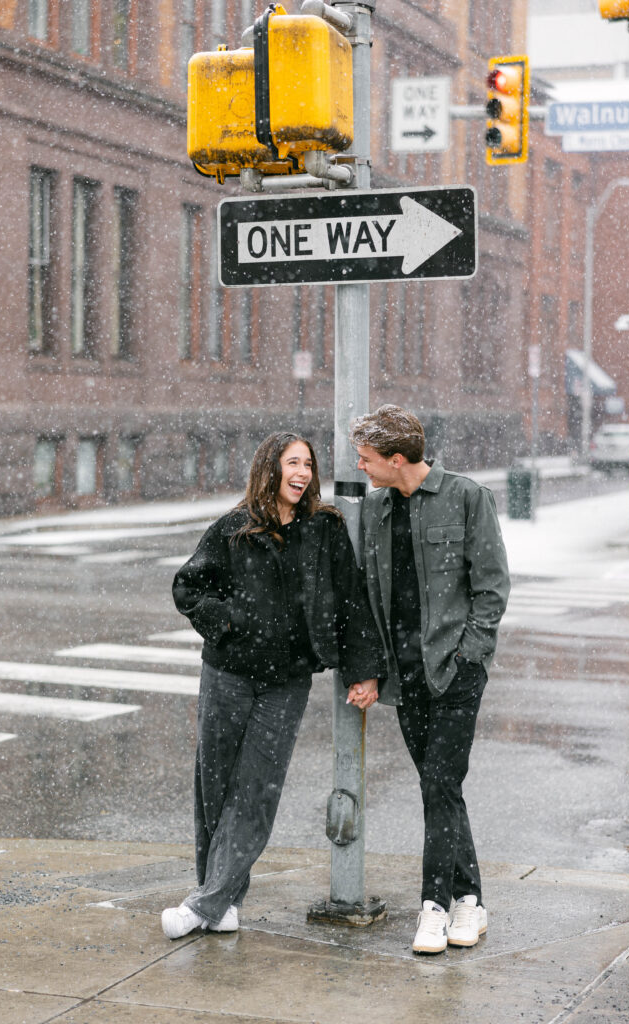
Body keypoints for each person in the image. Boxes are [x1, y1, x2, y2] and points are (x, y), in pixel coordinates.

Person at [162, 431, 384, 939]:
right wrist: (228, 620)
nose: (303, 473)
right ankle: (222, 899)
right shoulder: (235, 528)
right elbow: (188, 585)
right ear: (271, 468)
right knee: (214, 785)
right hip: (228, 674)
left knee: (257, 790)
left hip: (286, 682)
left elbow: (350, 601)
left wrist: (362, 669)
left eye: (308, 464)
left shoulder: (323, 530)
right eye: (293, 463)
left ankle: (204, 904)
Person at [348, 405, 510, 954]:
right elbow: (367, 595)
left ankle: (434, 907)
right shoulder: (374, 510)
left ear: (397, 459)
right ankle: (471, 900)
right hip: (405, 676)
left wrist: (471, 656)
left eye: (368, 460)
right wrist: (371, 668)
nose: (363, 469)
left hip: (456, 672)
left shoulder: (466, 497)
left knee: (438, 783)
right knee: (441, 787)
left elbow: (491, 587)